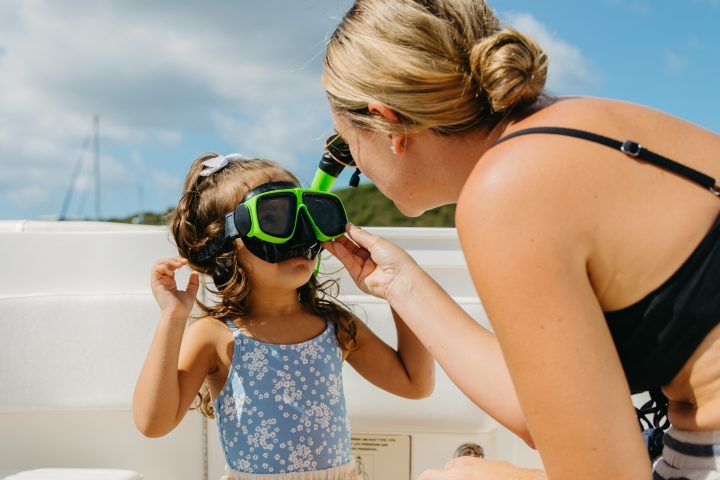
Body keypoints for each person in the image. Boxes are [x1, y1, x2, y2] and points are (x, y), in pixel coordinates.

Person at [319, 1, 720, 479]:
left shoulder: (507, 190)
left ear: (390, 124)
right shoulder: (577, 123)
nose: (355, 168)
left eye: (345, 146)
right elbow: (551, 413)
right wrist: (399, 282)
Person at [132, 153, 434, 480]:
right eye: (275, 219)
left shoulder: (335, 325)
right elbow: (153, 423)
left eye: (309, 216)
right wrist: (173, 317)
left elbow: (414, 383)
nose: (301, 233)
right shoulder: (215, 335)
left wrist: (397, 289)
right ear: (224, 245)